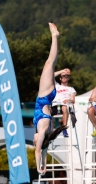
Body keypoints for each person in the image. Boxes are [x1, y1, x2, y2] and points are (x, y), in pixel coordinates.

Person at [33, 22, 69, 175]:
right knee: (49, 62)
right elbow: (38, 151)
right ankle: (54, 36)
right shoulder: (42, 131)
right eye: (35, 142)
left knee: (50, 66)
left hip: (49, 95)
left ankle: (55, 37)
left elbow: (44, 151)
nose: (33, 140)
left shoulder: (45, 132)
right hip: (44, 97)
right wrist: (38, 167)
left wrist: (44, 165)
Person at [51, 69, 76, 137]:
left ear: (69, 78)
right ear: (60, 78)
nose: (65, 77)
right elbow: (50, 75)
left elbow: (73, 100)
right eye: (63, 76)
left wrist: (69, 100)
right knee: (46, 110)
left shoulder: (71, 89)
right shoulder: (56, 86)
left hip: (64, 106)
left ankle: (64, 128)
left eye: (66, 76)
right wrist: (62, 71)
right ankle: (48, 130)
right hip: (56, 105)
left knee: (64, 108)